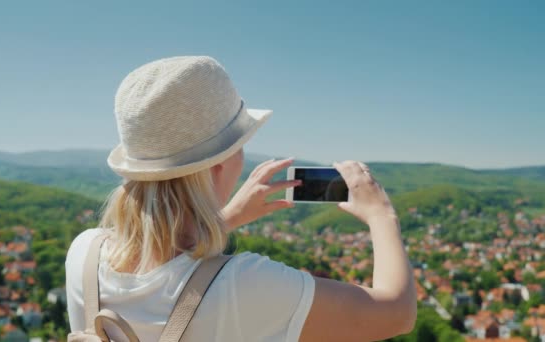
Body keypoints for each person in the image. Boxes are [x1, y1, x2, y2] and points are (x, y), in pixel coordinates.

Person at [65, 56, 416, 341]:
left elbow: (165, 269)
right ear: (218, 165)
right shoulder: (243, 284)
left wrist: (224, 217)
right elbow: (396, 314)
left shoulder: (84, 253)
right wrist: (381, 215)